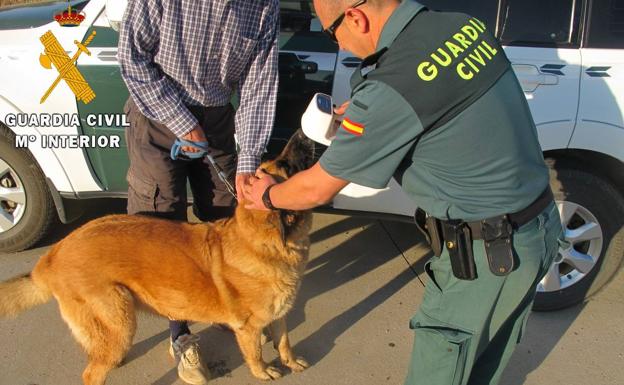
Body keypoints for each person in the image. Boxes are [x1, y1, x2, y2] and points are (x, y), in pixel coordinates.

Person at [245, 1, 565, 384]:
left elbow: (315, 187)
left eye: (333, 35)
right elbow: (437, 102)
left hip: (486, 257)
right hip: (537, 230)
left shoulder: (390, 87)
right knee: (482, 372)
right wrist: (370, 115)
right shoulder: (463, 26)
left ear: (356, 18)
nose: (342, 47)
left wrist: (268, 196)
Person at [118, 1, 279, 384]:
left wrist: (247, 160)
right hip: (158, 114)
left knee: (227, 219)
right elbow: (132, 57)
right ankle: (181, 336)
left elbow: (259, 84)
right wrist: (182, 122)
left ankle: (223, 304)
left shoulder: (262, 5)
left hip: (218, 115)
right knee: (160, 232)